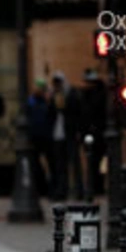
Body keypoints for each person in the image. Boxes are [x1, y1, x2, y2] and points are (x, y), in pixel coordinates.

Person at [47, 71, 85, 202]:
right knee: (60, 165)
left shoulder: (72, 94)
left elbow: (79, 114)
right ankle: (61, 191)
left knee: (75, 164)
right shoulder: (53, 96)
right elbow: (50, 114)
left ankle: (79, 191)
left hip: (70, 133)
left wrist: (79, 131)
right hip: (58, 134)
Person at [81, 68, 108, 196]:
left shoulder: (99, 94)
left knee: (98, 162)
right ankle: (94, 186)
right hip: (92, 133)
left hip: (98, 133)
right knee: (93, 161)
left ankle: (97, 186)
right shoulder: (88, 95)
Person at [25, 77, 51, 198]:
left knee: (49, 163)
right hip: (36, 136)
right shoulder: (32, 101)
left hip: (45, 136)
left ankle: (47, 188)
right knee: (35, 164)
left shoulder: (45, 101)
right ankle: (40, 188)